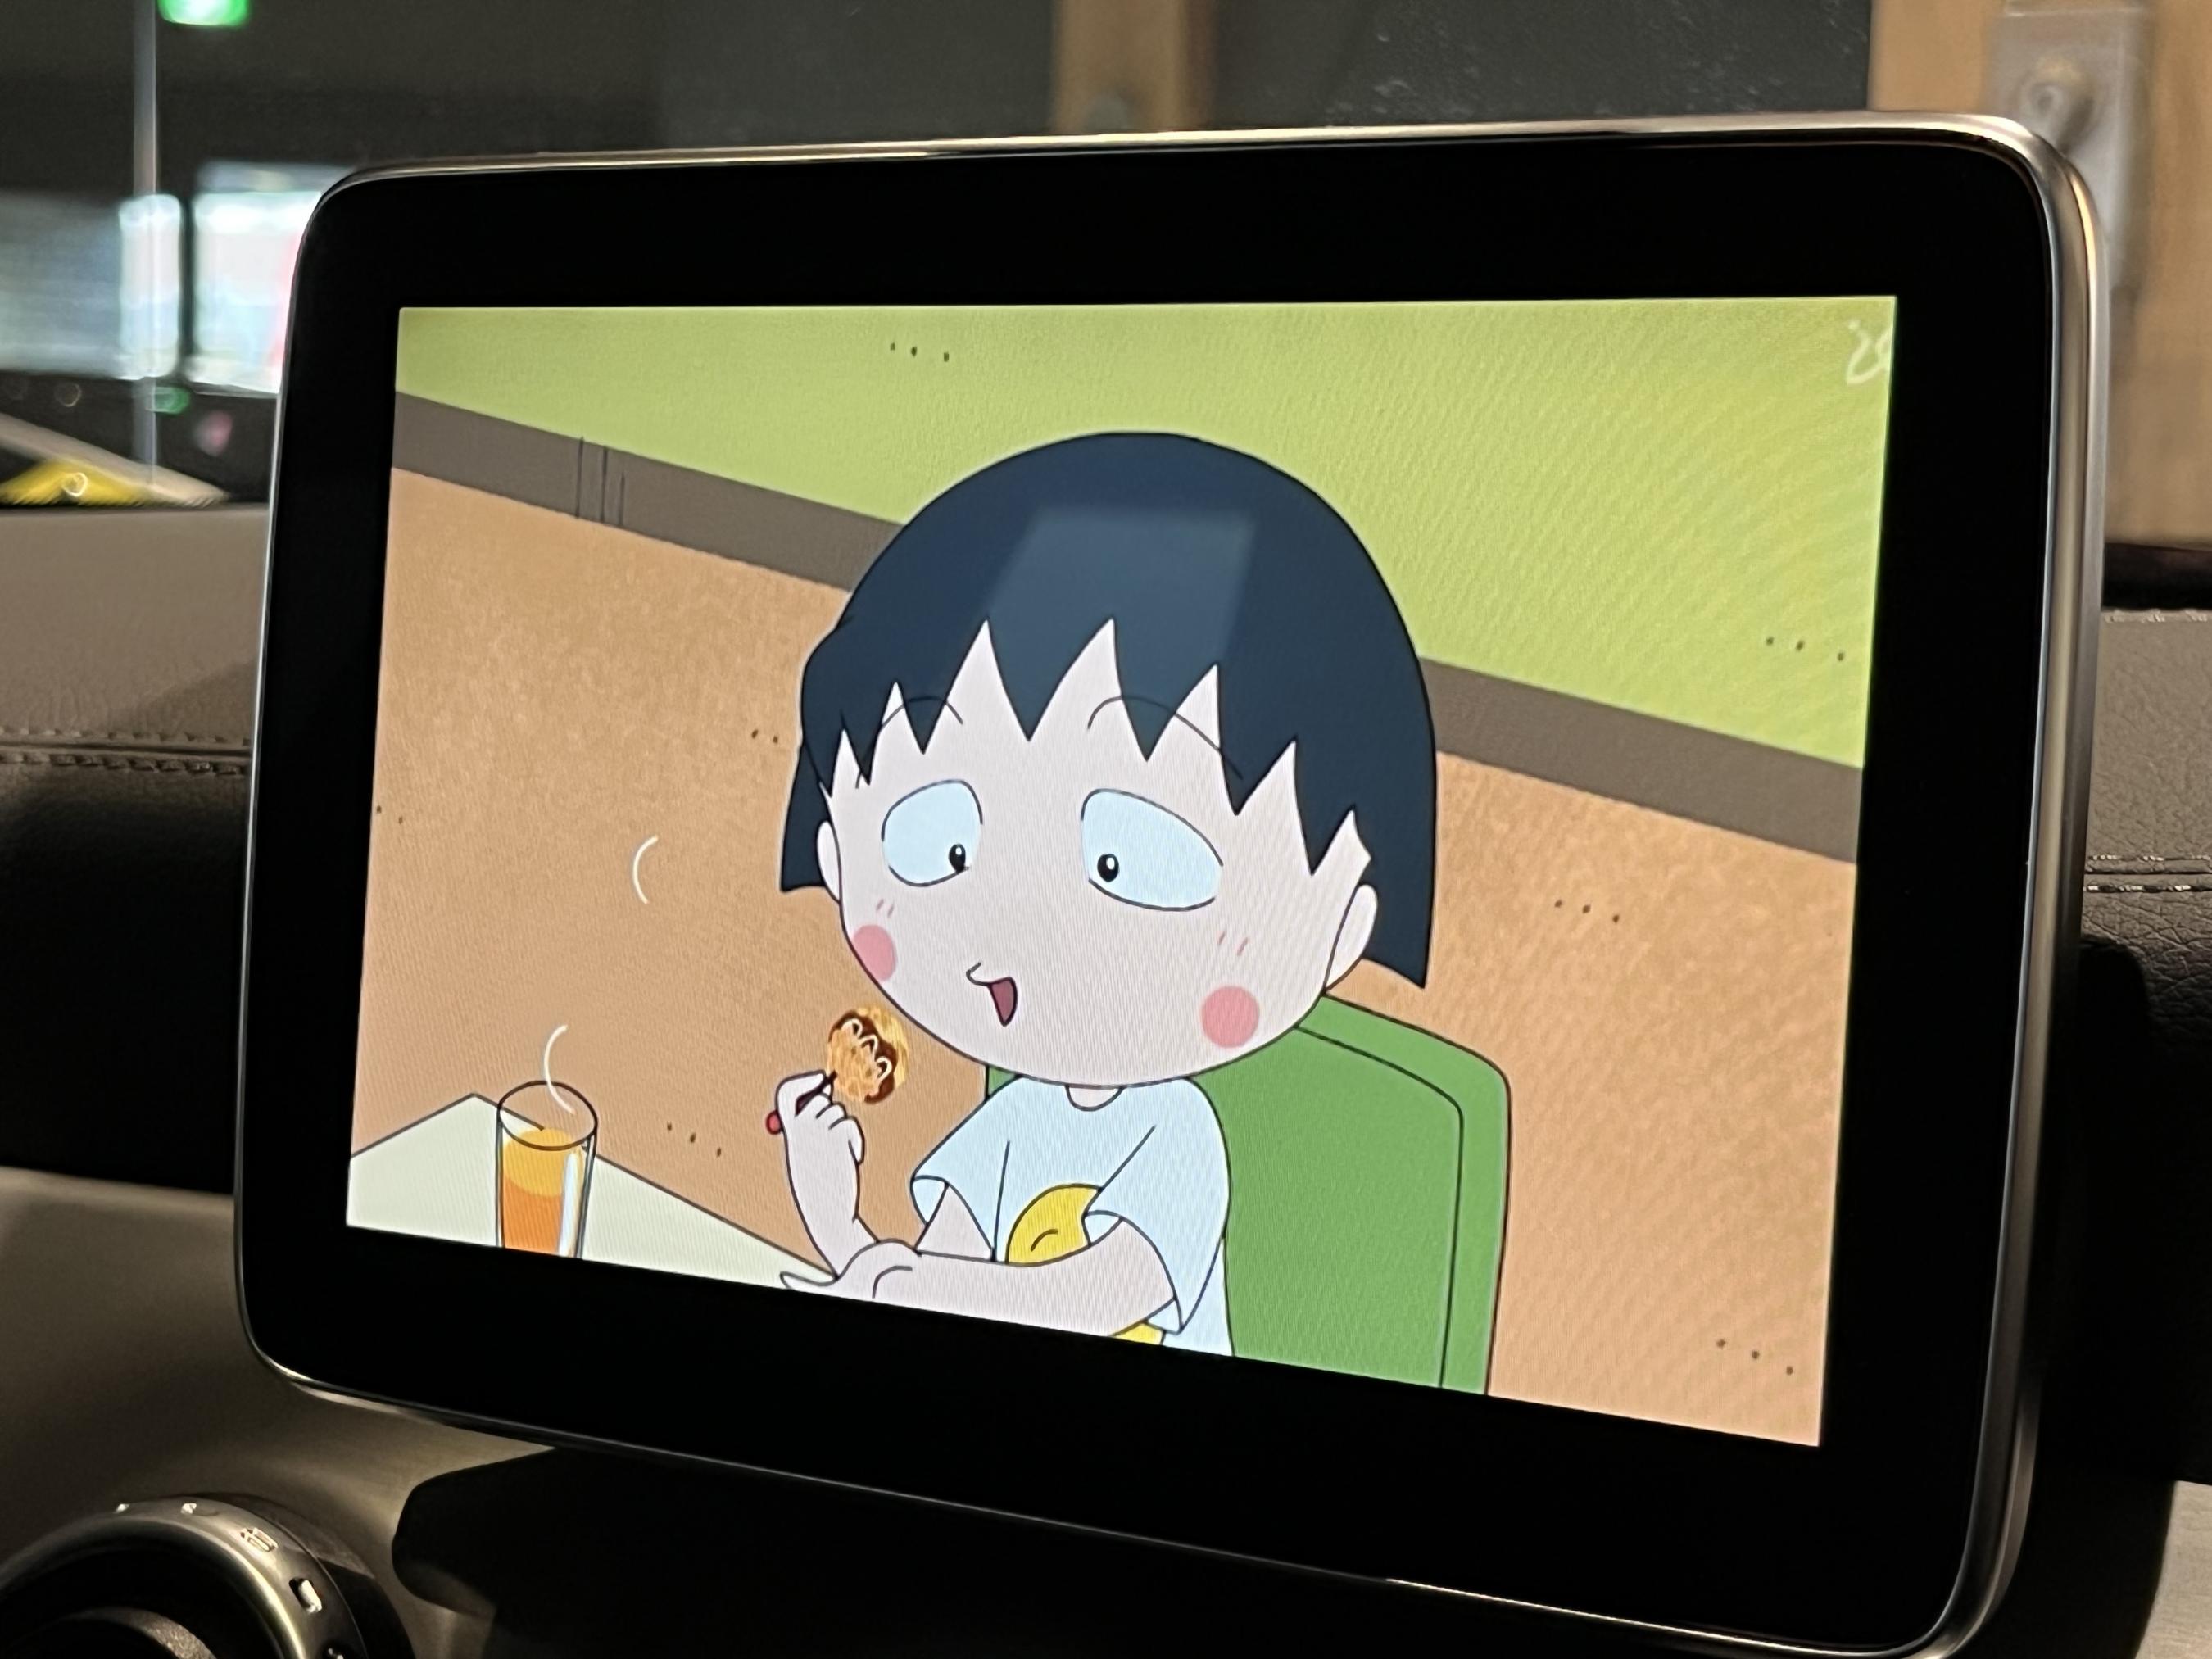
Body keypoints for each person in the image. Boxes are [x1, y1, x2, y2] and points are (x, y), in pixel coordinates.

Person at [771, 432, 1436, 1353]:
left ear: (1342, 929)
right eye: (941, 845)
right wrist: (836, 1216)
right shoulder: (1017, 1119)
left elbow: (1088, 1297)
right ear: (839, 855)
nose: (1014, 941)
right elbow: (941, 1282)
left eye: (1131, 864)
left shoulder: (1177, 1136)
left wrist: (901, 1278)